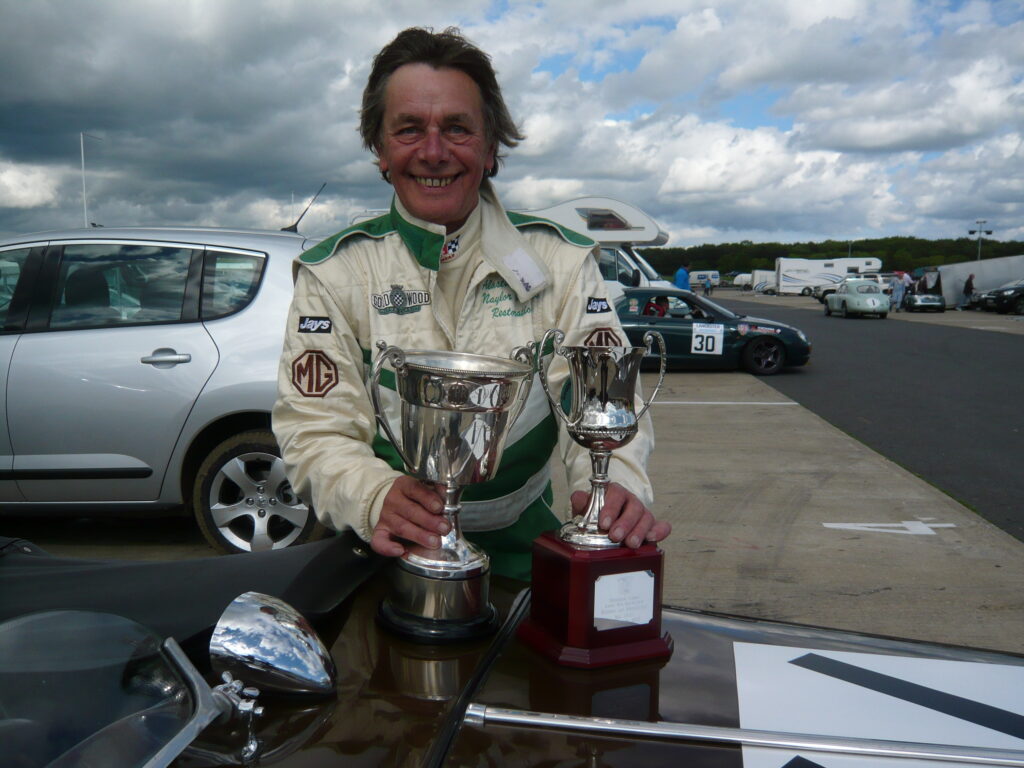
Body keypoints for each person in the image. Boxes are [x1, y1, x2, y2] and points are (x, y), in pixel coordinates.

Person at [272, 27, 669, 581]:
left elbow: (601, 399)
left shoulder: (560, 261)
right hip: (379, 558)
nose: (433, 152)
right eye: (409, 130)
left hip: (526, 559)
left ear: (490, 150)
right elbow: (315, 430)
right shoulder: (336, 272)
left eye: (457, 129)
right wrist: (372, 495)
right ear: (380, 151)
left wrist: (615, 485)